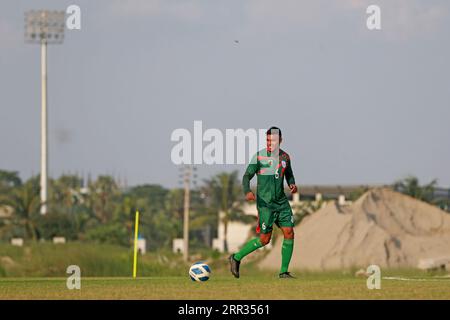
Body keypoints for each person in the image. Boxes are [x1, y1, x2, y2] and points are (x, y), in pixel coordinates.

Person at [229, 126, 297, 279]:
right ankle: (236, 257)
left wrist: (292, 184)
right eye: (267, 140)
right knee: (265, 240)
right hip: (265, 204)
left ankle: (283, 272)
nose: (269, 143)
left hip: (281, 202)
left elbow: (289, 175)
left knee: (289, 232)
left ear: (280, 140)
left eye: (272, 140)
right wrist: (247, 191)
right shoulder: (259, 157)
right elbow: (247, 176)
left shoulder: (285, 157)